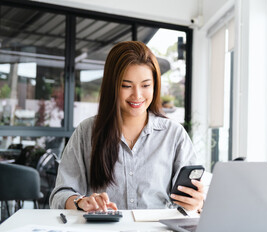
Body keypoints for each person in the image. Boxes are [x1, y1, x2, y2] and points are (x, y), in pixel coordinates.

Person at [49, 41, 204, 212]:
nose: (137, 95)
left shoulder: (173, 135)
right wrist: (80, 202)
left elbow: (191, 200)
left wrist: (196, 204)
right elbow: (60, 194)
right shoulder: (87, 132)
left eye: (145, 85)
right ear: (112, 86)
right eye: (126, 86)